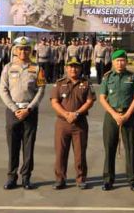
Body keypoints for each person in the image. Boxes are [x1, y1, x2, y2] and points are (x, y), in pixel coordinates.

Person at [0, 36, 46, 190]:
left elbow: (41, 90)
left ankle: (26, 177)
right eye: (20, 48)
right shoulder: (8, 67)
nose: (23, 51)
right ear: (15, 50)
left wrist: (29, 109)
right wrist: (15, 109)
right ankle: (11, 177)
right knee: (12, 146)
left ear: (30, 51)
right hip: (13, 111)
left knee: (28, 146)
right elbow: (3, 90)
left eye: (26, 49)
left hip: (30, 111)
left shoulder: (37, 68)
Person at [99, 49, 134, 191]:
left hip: (129, 116)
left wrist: (127, 115)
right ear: (113, 62)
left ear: (126, 62)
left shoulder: (133, 77)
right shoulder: (107, 77)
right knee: (109, 148)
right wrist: (114, 114)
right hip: (111, 116)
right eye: (117, 61)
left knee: (130, 148)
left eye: (122, 60)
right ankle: (108, 179)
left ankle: (132, 179)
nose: (120, 63)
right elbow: (102, 98)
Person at [51, 56, 96, 190]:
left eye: (76, 66)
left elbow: (90, 101)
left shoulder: (86, 83)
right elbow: (54, 101)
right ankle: (60, 179)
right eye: (70, 66)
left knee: (80, 153)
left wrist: (76, 113)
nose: (73, 69)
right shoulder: (59, 83)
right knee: (60, 153)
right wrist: (66, 114)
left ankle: (81, 179)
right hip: (62, 123)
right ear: (66, 68)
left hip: (80, 123)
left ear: (80, 68)